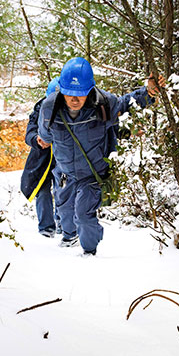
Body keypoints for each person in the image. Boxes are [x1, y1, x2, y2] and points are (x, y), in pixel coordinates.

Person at [37, 57, 164, 256]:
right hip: (65, 173)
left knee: (84, 215)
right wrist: (42, 140)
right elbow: (44, 134)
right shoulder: (49, 108)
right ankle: (69, 239)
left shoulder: (103, 104)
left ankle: (89, 253)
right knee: (65, 213)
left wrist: (147, 92)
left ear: (90, 90)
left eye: (80, 94)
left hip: (92, 174)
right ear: (61, 89)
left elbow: (127, 103)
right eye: (70, 93)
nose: (75, 99)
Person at [21, 78, 61, 237]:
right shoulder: (39, 110)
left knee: (62, 190)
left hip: (63, 158)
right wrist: (37, 139)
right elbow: (29, 132)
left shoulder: (72, 109)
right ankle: (46, 228)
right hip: (41, 159)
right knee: (43, 191)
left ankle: (64, 226)